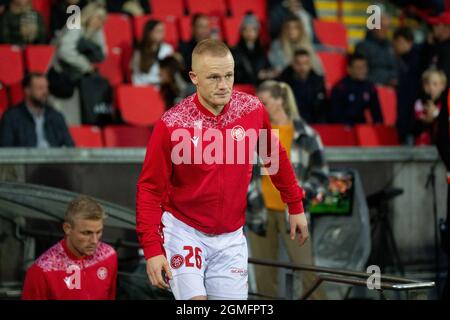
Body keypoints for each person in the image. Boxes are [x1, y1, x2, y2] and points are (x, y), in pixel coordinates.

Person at [136, 39, 308, 300]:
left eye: (229, 75)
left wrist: (295, 205)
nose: (224, 85)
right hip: (184, 232)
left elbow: (274, 158)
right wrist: (152, 249)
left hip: (231, 238)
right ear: (194, 77)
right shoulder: (171, 123)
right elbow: (149, 189)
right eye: (214, 77)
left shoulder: (252, 109)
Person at [248, 80, 328, 299]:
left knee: (308, 271)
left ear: (280, 101)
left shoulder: (306, 134)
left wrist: (300, 195)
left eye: (264, 102)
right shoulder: (253, 134)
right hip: (259, 211)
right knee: (264, 276)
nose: (260, 107)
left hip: (293, 211)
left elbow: (321, 176)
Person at [22, 196, 118, 300]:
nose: (94, 241)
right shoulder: (41, 271)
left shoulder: (109, 255)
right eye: (86, 233)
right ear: (67, 228)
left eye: (98, 232)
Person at [49, 1, 107, 126]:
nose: (100, 22)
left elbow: (102, 54)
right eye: (98, 18)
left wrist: (95, 31)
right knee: (63, 118)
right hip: (61, 78)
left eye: (103, 19)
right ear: (89, 15)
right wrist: (86, 65)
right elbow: (64, 51)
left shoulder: (96, 30)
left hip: (77, 80)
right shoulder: (75, 23)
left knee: (75, 120)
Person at [0, 73, 74, 148]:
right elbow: (5, 150)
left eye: (46, 88)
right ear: (27, 90)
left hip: (54, 159)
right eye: (40, 88)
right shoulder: (11, 117)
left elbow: (70, 147)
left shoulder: (56, 117)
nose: (45, 92)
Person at [329, 53, 383, 126]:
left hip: (361, 127)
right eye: (358, 68)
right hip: (343, 127)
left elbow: (377, 113)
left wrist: (378, 126)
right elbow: (335, 115)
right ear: (349, 69)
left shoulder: (370, 87)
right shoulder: (339, 88)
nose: (362, 71)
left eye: (364, 67)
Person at [277, 49, 328, 123]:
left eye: (305, 63)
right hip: (289, 123)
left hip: (313, 124)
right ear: (293, 64)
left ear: (310, 65)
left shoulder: (318, 83)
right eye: (298, 63)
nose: (302, 67)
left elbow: (322, 110)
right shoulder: (283, 82)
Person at [392, 26, 423, 145]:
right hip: (406, 117)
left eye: (396, 44)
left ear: (401, 41)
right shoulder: (403, 60)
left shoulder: (417, 59)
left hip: (412, 119)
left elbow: (411, 93)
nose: (394, 48)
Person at [354, 12, 398, 86]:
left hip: (391, 87)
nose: (385, 31)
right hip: (371, 87)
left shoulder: (390, 46)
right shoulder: (362, 47)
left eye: (387, 27)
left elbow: (395, 68)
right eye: (382, 27)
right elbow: (360, 72)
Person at [232, 13, 276, 86]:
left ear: (258, 32)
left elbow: (268, 67)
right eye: (246, 30)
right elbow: (237, 74)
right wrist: (256, 75)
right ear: (241, 32)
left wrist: (268, 73)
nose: (249, 33)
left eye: (253, 30)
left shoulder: (262, 50)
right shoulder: (236, 51)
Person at [131, 19, 174, 86]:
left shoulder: (167, 49)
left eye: (162, 31)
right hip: (143, 87)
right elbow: (136, 75)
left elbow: (168, 76)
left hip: (163, 88)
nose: (161, 34)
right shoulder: (139, 51)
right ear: (149, 33)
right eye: (158, 31)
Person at [412, 68, 447, 145]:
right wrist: (425, 121)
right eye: (427, 84)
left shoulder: (446, 104)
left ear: (443, 86)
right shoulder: (419, 103)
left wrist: (435, 113)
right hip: (422, 146)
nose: (431, 88)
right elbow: (414, 129)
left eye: (435, 84)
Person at [426, 12, 450, 82]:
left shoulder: (447, 50)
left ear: (447, 28)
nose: (434, 27)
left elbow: (444, 81)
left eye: (437, 25)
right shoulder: (436, 44)